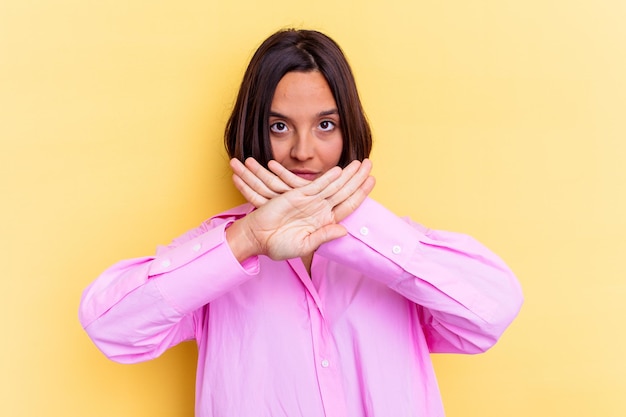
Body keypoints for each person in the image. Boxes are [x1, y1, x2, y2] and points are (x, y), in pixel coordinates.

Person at [79, 28, 523, 417]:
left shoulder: (397, 247)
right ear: (253, 131)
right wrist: (246, 239)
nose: (303, 151)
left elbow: (492, 311)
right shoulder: (221, 247)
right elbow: (110, 328)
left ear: (349, 130)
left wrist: (353, 217)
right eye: (279, 127)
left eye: (326, 124)